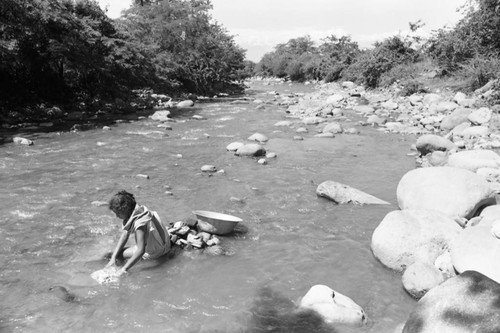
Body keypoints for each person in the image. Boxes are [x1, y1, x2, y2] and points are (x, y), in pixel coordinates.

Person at [106, 190, 171, 276]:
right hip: (165, 245)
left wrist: (123, 269)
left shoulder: (140, 223)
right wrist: (113, 258)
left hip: (156, 252)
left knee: (114, 255)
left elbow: (141, 250)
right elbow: (125, 234)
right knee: (114, 255)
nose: (117, 216)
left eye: (118, 213)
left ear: (125, 209)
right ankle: (115, 261)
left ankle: (118, 268)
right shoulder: (139, 210)